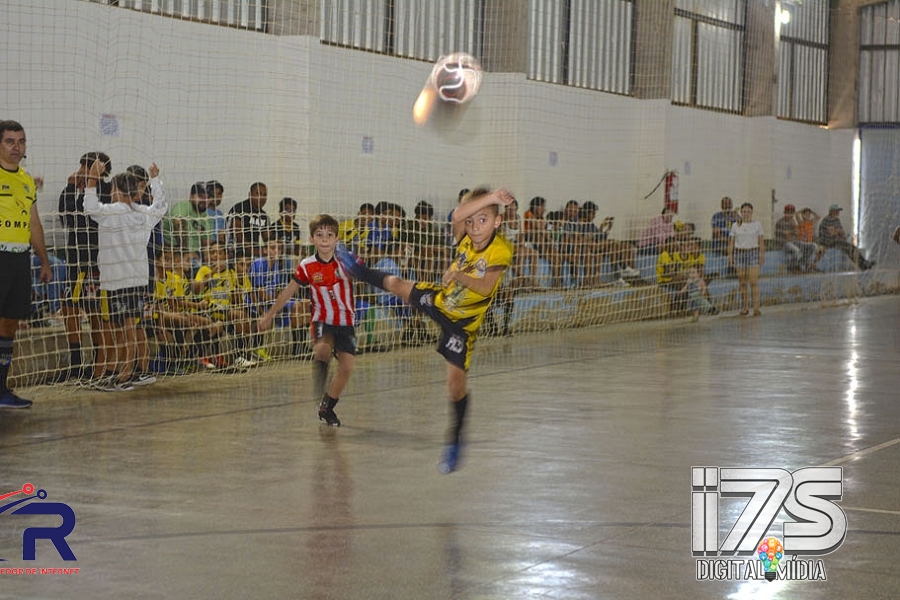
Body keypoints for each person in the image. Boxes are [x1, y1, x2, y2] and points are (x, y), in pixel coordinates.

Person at [334, 187, 515, 474]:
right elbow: (457, 214)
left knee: (455, 387)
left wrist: (458, 275)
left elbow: (485, 287)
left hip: (461, 326)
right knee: (397, 285)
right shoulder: (465, 235)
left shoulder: (501, 250)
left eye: (483, 220)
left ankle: (455, 439)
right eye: (471, 221)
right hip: (441, 301)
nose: (474, 227)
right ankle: (358, 270)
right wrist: (491, 198)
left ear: (497, 223)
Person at [82, 160, 167, 390]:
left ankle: (117, 375)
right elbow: (161, 206)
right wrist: (156, 180)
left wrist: (91, 179)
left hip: (115, 281)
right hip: (137, 281)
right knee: (130, 328)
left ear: (117, 191)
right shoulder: (145, 214)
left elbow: (89, 207)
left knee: (118, 330)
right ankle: (126, 373)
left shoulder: (111, 212)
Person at [259, 215, 350, 427]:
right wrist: (270, 315)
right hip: (321, 320)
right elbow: (288, 292)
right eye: (319, 235)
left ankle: (327, 405)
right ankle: (320, 393)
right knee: (322, 351)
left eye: (329, 235)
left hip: (344, 322)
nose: (324, 240)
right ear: (311, 239)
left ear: (337, 239)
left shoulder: (346, 262)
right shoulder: (307, 265)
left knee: (346, 368)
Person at [0, 121, 52, 408]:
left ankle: (2, 390)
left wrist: (44, 260)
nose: (16, 147)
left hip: (19, 259)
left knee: (9, 323)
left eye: (20, 141)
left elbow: (34, 223)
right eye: (9, 141)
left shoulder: (26, 180)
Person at [58, 151, 113, 382]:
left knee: (94, 311)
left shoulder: (107, 191)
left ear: (99, 170)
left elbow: (90, 218)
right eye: (80, 167)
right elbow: (66, 217)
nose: (80, 172)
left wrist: (88, 184)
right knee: (68, 306)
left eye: (85, 168)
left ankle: (98, 362)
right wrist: (71, 187)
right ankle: (75, 363)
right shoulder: (74, 189)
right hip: (74, 258)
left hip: (94, 261)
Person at [728, 202, 765, 316]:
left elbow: (761, 241)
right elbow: (732, 242)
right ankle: (745, 307)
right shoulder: (735, 225)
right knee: (742, 282)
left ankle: (756, 308)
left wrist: (762, 254)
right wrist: (730, 256)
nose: (746, 214)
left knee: (753, 282)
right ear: (741, 212)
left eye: (748, 211)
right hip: (739, 254)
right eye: (744, 212)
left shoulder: (757, 225)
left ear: (752, 212)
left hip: (753, 253)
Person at [164, 181, 211, 266]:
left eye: (207, 198)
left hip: (196, 255)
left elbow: (206, 244)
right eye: (201, 197)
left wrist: (207, 263)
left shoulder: (207, 217)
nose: (204, 201)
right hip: (173, 249)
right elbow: (178, 223)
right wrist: (186, 253)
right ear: (191, 196)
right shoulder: (184, 206)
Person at [818, 204, 874, 270]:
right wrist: (837, 231)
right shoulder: (826, 220)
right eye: (836, 211)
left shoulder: (836, 220)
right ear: (831, 211)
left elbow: (842, 232)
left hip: (837, 240)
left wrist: (837, 231)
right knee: (848, 248)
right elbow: (832, 233)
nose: (838, 213)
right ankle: (863, 265)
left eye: (838, 211)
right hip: (828, 242)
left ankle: (864, 263)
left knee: (852, 248)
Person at [227, 182, 270, 258]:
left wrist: (271, 250)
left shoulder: (264, 216)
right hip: (234, 251)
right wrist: (252, 251)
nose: (261, 197)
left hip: (253, 254)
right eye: (258, 194)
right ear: (250, 194)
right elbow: (237, 233)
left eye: (264, 195)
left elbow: (267, 238)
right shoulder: (239, 209)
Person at [775, 204, 818, 272]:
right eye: (788, 212)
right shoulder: (780, 222)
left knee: (813, 246)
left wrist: (793, 228)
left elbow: (797, 233)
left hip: (793, 242)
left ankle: (801, 264)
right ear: (785, 213)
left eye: (791, 212)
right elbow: (788, 237)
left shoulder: (793, 221)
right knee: (797, 250)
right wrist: (793, 233)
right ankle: (792, 267)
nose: (790, 214)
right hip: (783, 244)